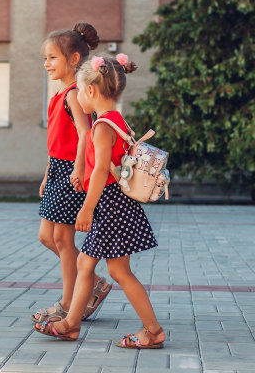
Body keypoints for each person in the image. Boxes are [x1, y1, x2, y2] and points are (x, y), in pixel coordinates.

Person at [34, 53, 166, 349]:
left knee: (118, 271)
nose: (78, 96)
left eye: (80, 90)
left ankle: (153, 331)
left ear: (91, 91)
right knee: (88, 263)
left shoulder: (102, 127)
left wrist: (87, 207)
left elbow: (103, 171)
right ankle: (71, 324)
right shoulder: (116, 120)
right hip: (117, 204)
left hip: (108, 205)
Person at [31, 23, 113, 325]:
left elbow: (85, 133)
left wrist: (78, 167)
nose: (47, 64)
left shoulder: (74, 94)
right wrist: (47, 172)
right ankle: (92, 283)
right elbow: (56, 140)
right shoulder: (59, 94)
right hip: (57, 169)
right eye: (45, 58)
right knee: (46, 237)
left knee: (63, 240)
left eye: (52, 57)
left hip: (70, 172)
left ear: (74, 59)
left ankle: (68, 304)